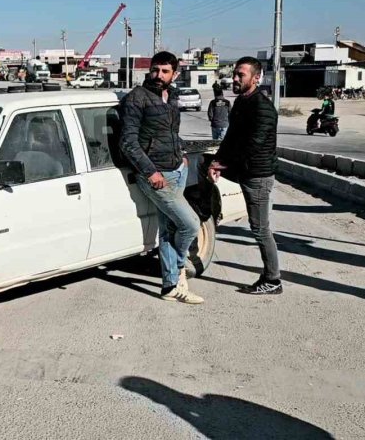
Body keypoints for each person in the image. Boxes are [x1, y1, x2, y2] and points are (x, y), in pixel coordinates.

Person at [118, 51, 204, 304]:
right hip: (157, 175)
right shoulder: (137, 98)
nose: (159, 75)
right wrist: (150, 172)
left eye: (165, 71)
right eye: (155, 69)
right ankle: (179, 268)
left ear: (174, 74)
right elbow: (128, 142)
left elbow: (172, 132)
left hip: (177, 169)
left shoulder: (172, 96)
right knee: (190, 224)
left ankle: (170, 287)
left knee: (167, 231)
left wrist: (182, 154)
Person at [208, 57, 281, 295]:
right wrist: (217, 160)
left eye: (241, 75)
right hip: (244, 169)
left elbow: (253, 145)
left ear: (256, 78)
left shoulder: (262, 107)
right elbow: (232, 138)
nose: (235, 78)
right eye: (235, 74)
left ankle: (273, 279)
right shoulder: (241, 102)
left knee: (260, 228)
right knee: (200, 165)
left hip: (257, 175)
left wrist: (224, 163)